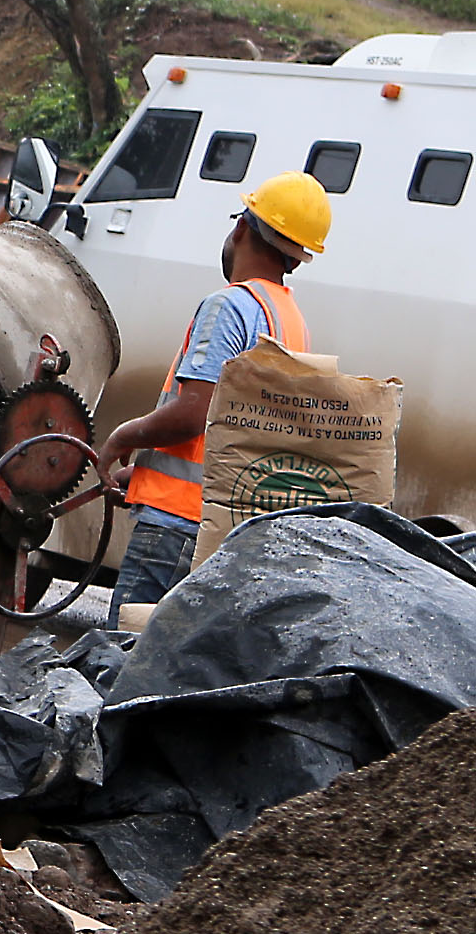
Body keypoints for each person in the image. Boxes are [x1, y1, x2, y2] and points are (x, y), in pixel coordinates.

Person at [93, 171, 331, 612]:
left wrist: (121, 438)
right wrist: (145, 476)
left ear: (242, 226)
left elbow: (193, 413)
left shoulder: (229, 305)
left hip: (175, 530)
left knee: (123, 659)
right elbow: (233, 431)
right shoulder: (289, 319)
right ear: (295, 257)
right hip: (223, 526)